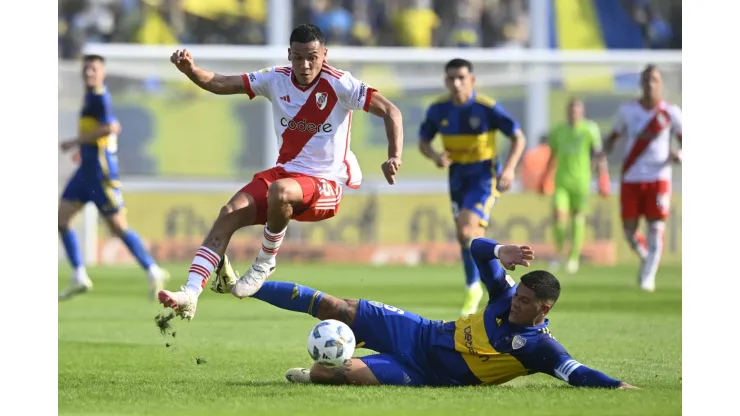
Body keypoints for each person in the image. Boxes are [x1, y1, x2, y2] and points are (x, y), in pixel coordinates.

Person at [158, 24, 404, 320]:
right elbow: (223, 83)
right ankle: (190, 293)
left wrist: (394, 156)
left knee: (281, 191)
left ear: (324, 54)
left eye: (312, 57)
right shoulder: (275, 79)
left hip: (325, 184)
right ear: (289, 54)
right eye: (298, 57)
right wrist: (191, 71)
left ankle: (264, 262)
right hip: (285, 174)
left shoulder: (341, 84)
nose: (304, 65)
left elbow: (391, 111)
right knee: (228, 212)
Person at [222, 238, 637, 389]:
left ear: (544, 310)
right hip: (418, 333)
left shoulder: (538, 348)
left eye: (525, 303)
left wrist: (617, 385)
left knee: (341, 374)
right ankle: (243, 284)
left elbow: (575, 372)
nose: (516, 302)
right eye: (518, 295)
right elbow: (476, 248)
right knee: (337, 306)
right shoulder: (503, 294)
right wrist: (499, 251)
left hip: (427, 375)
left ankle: (311, 371)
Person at [417, 58, 527, 317]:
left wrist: (510, 169)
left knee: (468, 229)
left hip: (483, 176)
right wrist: (434, 156)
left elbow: (518, 137)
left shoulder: (486, 108)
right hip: (457, 178)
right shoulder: (438, 110)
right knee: (466, 236)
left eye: (461, 78)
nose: (456, 83)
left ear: (472, 80)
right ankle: (477, 286)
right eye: (451, 78)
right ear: (446, 81)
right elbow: (423, 142)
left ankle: (488, 285)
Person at [58, 54, 169, 301]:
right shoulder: (90, 96)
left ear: (102, 73)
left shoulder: (100, 97)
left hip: (99, 174)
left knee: (118, 226)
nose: (88, 74)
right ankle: (78, 274)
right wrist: (83, 151)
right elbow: (100, 135)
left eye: (93, 70)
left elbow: (111, 127)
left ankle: (152, 269)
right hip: (85, 171)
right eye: (86, 69)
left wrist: (76, 141)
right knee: (62, 218)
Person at [604, 64, 682, 292]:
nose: (650, 84)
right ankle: (648, 257)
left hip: (659, 179)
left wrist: (679, 154)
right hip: (631, 178)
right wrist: (603, 152)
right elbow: (613, 138)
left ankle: (648, 277)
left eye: (655, 80)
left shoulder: (671, 112)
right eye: (647, 80)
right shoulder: (628, 111)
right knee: (629, 231)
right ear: (641, 84)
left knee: (656, 226)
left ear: (661, 84)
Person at [540, 98, 610, 274]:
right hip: (561, 182)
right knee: (559, 216)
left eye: (577, 110)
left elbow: (598, 155)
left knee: (577, 220)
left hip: (581, 183)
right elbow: (552, 156)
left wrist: (603, 178)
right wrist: (544, 178)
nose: (574, 114)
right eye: (571, 110)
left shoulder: (589, 130)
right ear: (567, 112)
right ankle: (558, 253)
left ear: (582, 112)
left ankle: (573, 257)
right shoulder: (558, 131)